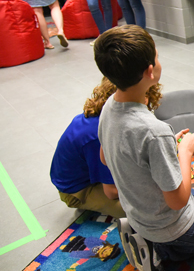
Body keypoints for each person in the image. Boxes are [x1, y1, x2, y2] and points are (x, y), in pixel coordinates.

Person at [94, 25, 194, 271]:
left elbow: (105, 158)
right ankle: (160, 250)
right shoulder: (154, 131)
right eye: (156, 56)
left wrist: (163, 153)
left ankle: (155, 237)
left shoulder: (110, 105)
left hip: (139, 211)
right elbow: (177, 201)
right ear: (150, 71)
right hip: (167, 224)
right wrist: (184, 152)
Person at [50, 77, 162, 219]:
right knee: (145, 208)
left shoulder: (105, 117)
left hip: (88, 171)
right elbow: (111, 191)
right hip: (77, 190)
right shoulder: (100, 136)